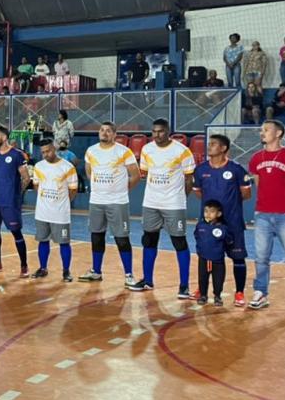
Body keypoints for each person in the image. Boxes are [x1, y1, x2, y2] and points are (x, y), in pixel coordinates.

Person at [247, 120, 285, 315]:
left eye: (266, 130)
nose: (262, 133)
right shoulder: (256, 158)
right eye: (261, 130)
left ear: (279, 133)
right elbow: (258, 183)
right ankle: (261, 293)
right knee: (261, 257)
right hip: (263, 214)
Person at [127, 119, 196, 296]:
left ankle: (184, 285)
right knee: (149, 240)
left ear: (168, 132)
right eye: (154, 131)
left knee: (179, 242)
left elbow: (189, 179)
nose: (156, 135)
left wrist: (180, 198)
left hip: (174, 204)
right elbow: (147, 173)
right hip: (150, 203)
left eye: (160, 131)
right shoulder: (147, 149)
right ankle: (147, 280)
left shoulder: (182, 151)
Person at [192, 134, 252, 306]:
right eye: (208, 144)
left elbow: (246, 194)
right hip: (208, 225)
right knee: (206, 257)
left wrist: (228, 206)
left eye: (213, 144)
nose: (208, 147)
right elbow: (198, 193)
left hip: (232, 223)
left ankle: (239, 292)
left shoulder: (236, 169)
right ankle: (202, 290)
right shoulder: (201, 170)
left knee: (238, 258)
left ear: (224, 148)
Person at [79, 121, 139, 284]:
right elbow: (89, 171)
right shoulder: (91, 151)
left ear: (114, 134)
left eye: (108, 131)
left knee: (121, 238)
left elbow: (135, 175)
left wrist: (120, 190)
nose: (104, 133)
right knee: (96, 237)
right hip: (96, 201)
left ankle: (129, 275)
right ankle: (96, 271)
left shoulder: (124, 152)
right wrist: (100, 188)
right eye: (102, 130)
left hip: (117, 202)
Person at [30, 139, 78, 282]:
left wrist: (61, 203)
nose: (46, 154)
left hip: (60, 213)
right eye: (43, 152)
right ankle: (43, 268)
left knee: (64, 242)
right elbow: (36, 185)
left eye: (48, 151)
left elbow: (73, 190)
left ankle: (66, 271)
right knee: (42, 241)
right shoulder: (38, 166)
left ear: (54, 149)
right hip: (42, 212)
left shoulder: (67, 167)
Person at [0, 125, 30, 275]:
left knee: (16, 232)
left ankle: (24, 265)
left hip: (10, 202)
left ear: (4, 137)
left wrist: (16, 194)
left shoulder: (17, 155)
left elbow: (26, 178)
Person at [193, 200, 233, 307]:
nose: (208, 214)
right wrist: (200, 250)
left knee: (218, 279)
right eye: (206, 211)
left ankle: (217, 296)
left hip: (218, 260)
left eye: (211, 211)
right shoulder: (200, 226)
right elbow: (197, 236)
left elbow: (229, 240)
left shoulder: (223, 228)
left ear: (218, 214)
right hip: (203, 259)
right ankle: (203, 295)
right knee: (202, 278)